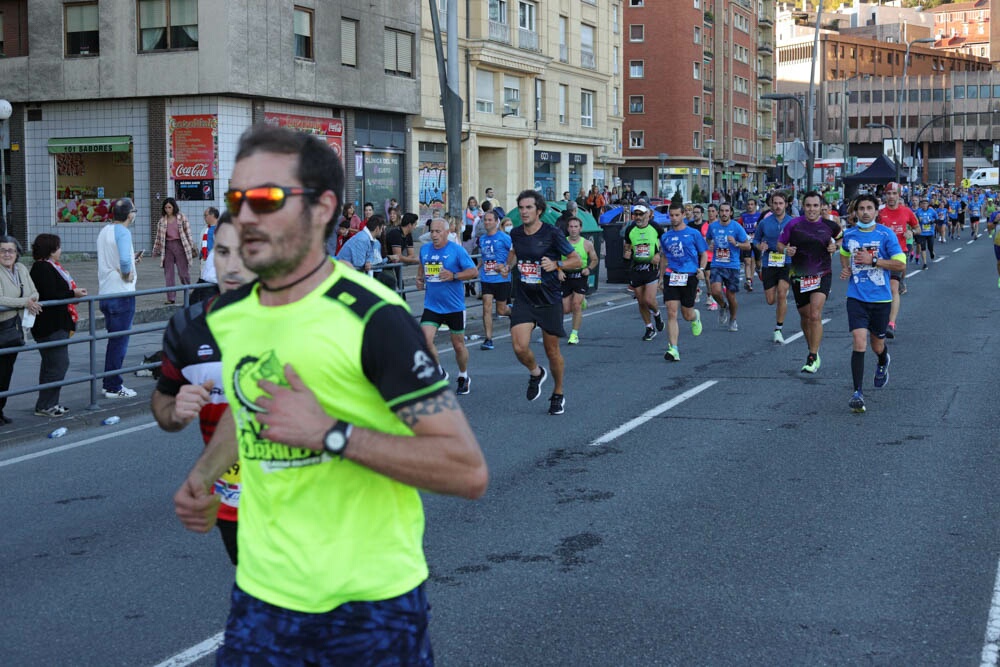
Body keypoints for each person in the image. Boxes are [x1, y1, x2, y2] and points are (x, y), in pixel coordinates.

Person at [173, 123, 487, 664]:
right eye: (236, 199)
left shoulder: (374, 318)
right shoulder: (234, 314)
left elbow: (465, 469)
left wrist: (329, 433)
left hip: (367, 605)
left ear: (323, 209)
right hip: (262, 595)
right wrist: (202, 476)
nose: (245, 214)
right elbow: (254, 404)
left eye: (267, 198)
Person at [152, 213, 254, 565]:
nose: (233, 266)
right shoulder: (186, 327)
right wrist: (175, 413)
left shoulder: (304, 323)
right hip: (233, 502)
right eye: (223, 252)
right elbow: (165, 400)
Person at [505, 189, 581, 415]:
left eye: (529, 207)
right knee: (519, 346)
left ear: (539, 211)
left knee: (552, 351)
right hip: (525, 298)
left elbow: (575, 260)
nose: (524, 211)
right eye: (521, 207)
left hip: (548, 299)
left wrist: (557, 265)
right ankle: (536, 372)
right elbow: (514, 254)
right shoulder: (516, 233)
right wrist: (506, 266)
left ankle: (558, 393)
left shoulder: (552, 233)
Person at [838, 194, 906, 413]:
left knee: (877, 345)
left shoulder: (885, 234)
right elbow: (844, 253)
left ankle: (883, 360)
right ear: (855, 212)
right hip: (856, 297)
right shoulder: (849, 234)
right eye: (861, 208)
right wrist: (846, 268)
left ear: (877, 211)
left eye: (869, 208)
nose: (865, 212)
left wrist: (873, 260)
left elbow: (900, 264)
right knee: (859, 342)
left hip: (881, 298)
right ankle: (857, 392)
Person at [777, 191, 842, 374]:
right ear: (803, 206)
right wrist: (786, 250)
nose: (812, 209)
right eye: (808, 206)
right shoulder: (794, 224)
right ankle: (812, 348)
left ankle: (812, 356)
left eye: (815, 206)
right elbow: (780, 244)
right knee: (805, 317)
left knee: (815, 314)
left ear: (821, 207)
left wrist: (835, 246)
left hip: (822, 273)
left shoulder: (830, 225)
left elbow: (841, 238)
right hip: (799, 276)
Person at [415, 218, 478, 394]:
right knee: (424, 341)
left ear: (446, 232)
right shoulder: (425, 249)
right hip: (432, 306)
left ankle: (463, 375)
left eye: (438, 231)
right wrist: (420, 278)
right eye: (432, 231)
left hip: (454, 306)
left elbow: (473, 271)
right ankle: (440, 371)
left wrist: (454, 276)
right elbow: (422, 264)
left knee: (458, 345)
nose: (434, 235)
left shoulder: (456, 250)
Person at [29, 234, 86, 417]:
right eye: (58, 247)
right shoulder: (43, 268)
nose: (60, 250)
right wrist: (72, 293)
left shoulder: (48, 266)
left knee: (52, 364)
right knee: (58, 364)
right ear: (51, 249)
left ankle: (48, 403)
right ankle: (46, 404)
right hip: (50, 325)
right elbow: (51, 294)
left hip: (53, 323)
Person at [97, 198, 140, 398]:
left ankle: (110, 382)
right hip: (121, 292)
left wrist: (131, 262)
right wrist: (127, 272)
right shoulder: (123, 232)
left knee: (113, 341)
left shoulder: (104, 231)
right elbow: (123, 260)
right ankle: (113, 385)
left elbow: (114, 257)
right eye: (134, 212)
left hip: (106, 291)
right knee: (119, 342)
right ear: (129, 214)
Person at [0, 236, 41, 423]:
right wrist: (25, 302)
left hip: (15, 328)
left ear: (17, 253)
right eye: (2, 250)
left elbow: (35, 291)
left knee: (7, 371)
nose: (7, 254)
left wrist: (29, 300)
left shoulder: (22, 269)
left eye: (11, 250)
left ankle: (0, 410)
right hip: (2, 326)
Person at [658, 203, 706, 361]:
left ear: (684, 215)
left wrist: (701, 269)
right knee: (671, 312)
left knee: (686, 314)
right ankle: (674, 349)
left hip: (689, 275)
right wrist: (661, 278)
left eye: (677, 215)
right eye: (671, 215)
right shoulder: (665, 236)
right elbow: (664, 257)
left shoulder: (693, 234)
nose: (674, 218)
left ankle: (695, 317)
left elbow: (703, 254)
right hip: (671, 275)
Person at [875, 182, 919, 339]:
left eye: (894, 193)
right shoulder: (879, 213)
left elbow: (917, 228)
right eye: (889, 193)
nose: (891, 196)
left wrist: (911, 232)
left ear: (899, 195)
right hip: (880, 255)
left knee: (893, 287)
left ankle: (891, 324)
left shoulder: (906, 211)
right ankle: (879, 318)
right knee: (882, 288)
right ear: (885, 195)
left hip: (898, 254)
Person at [753, 191, 793, 343]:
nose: (778, 206)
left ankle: (778, 329)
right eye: (775, 203)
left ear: (786, 205)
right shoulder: (764, 222)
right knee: (771, 300)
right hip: (769, 260)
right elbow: (755, 240)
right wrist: (759, 245)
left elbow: (799, 240)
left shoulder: (792, 222)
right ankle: (780, 304)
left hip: (786, 261)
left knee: (782, 293)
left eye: (780, 203)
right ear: (771, 205)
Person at [707, 203, 751, 332]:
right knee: (715, 291)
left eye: (727, 211)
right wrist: (710, 246)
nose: (724, 213)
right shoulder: (713, 226)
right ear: (718, 213)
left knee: (731, 296)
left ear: (731, 213)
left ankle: (733, 319)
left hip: (732, 265)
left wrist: (736, 243)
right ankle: (722, 305)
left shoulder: (737, 227)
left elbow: (747, 245)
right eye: (722, 211)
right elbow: (708, 239)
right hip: (717, 264)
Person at [623, 203, 664, 341]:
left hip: (651, 268)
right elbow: (627, 247)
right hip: (636, 268)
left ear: (648, 214)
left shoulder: (655, 227)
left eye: (641, 214)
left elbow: (666, 243)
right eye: (636, 214)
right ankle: (649, 327)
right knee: (641, 302)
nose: (638, 217)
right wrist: (627, 253)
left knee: (649, 299)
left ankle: (657, 314)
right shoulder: (630, 229)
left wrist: (659, 255)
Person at [476, 209, 512, 350]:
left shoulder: (504, 237)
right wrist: (477, 267)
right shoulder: (483, 239)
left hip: (502, 279)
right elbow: (483, 257)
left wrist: (506, 267)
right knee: (486, 306)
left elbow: (514, 253)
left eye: (490, 220)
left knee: (502, 310)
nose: (487, 222)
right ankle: (488, 339)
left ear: (497, 222)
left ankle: (513, 313)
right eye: (485, 220)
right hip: (487, 278)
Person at [558, 216, 597, 345]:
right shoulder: (562, 242)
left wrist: (589, 269)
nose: (573, 230)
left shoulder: (587, 244)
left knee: (576, 305)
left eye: (576, 227)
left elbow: (595, 259)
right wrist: (559, 270)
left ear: (580, 228)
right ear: (567, 228)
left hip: (580, 276)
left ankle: (574, 334)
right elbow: (555, 259)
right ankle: (582, 301)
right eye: (571, 227)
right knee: (565, 309)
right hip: (567, 276)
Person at [153, 197, 197, 305]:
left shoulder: (181, 218)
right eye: (166, 207)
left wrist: (191, 246)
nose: (168, 209)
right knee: (169, 273)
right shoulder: (162, 221)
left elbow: (188, 233)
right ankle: (170, 298)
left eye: (170, 207)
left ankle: (189, 293)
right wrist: (156, 250)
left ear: (174, 207)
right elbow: (158, 237)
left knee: (183, 273)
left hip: (180, 245)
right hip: (167, 247)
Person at [386, 212, 419, 293]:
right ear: (409, 225)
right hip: (386, 266)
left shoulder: (408, 235)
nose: (415, 227)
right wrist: (414, 260)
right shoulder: (395, 233)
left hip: (396, 265)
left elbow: (411, 254)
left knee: (401, 288)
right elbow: (398, 256)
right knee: (392, 288)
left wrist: (406, 259)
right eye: (415, 224)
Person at [738, 198, 763, 291]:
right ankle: (749, 281)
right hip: (747, 241)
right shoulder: (743, 216)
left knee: (758, 262)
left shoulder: (760, 216)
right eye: (748, 204)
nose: (750, 206)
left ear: (755, 205)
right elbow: (738, 227)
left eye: (752, 204)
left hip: (756, 241)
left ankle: (759, 269)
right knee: (747, 261)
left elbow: (763, 227)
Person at [914, 198, 937, 270]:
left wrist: (932, 221)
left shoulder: (932, 211)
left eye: (925, 204)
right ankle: (925, 263)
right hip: (922, 233)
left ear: (927, 204)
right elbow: (915, 220)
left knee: (930, 247)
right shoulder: (918, 212)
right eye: (923, 204)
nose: (924, 205)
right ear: (921, 205)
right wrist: (917, 222)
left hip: (930, 232)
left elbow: (937, 218)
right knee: (923, 248)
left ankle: (931, 252)